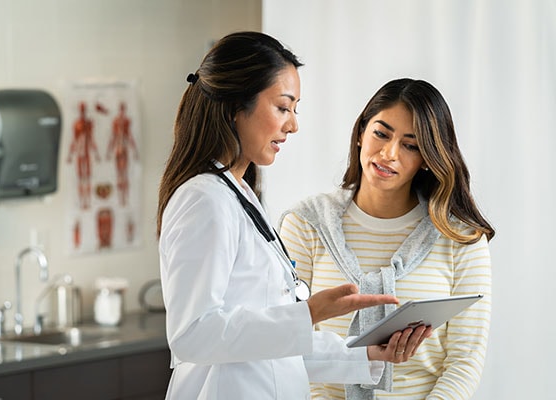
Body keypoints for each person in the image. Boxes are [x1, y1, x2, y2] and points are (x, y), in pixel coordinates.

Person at [157, 33, 430, 400]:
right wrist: (309, 314)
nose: (292, 125)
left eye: (294, 110)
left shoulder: (239, 195)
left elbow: (270, 345)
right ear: (236, 104)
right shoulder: (204, 199)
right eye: (283, 107)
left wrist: (366, 354)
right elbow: (192, 335)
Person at [279, 78, 495, 400]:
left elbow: (465, 359)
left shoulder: (460, 236)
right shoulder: (305, 224)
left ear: (427, 159)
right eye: (381, 133)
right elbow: (287, 345)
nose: (389, 153)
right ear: (361, 133)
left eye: (411, 145)